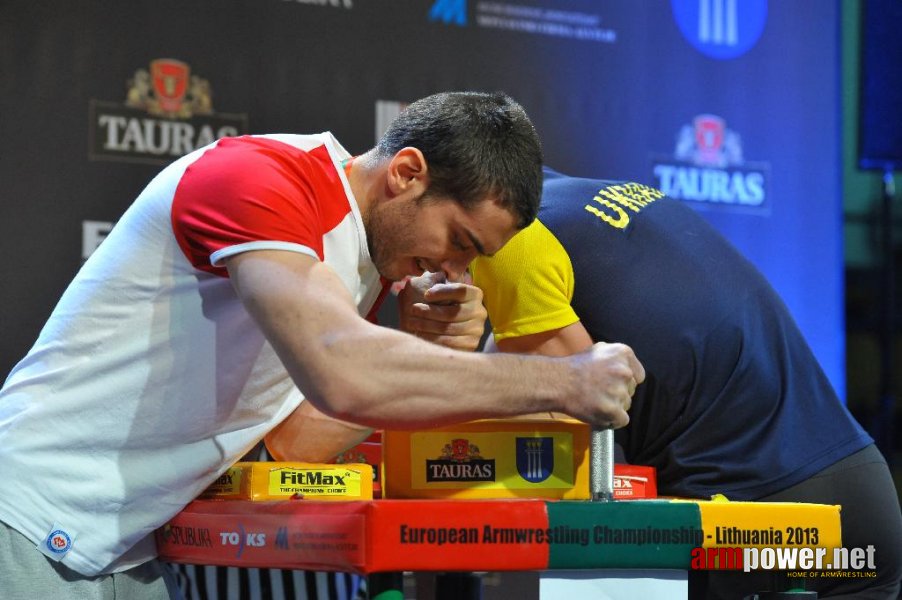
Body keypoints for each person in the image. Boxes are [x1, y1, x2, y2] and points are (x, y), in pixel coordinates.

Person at [0, 94, 645, 598]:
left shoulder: (364, 266)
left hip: (128, 550)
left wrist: (410, 346)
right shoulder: (258, 178)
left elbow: (293, 445)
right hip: (28, 519)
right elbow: (342, 370)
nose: (454, 270)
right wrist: (562, 379)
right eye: (460, 241)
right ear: (407, 172)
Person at [460, 167, 902, 599]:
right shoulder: (603, 199)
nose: (439, 266)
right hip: (860, 491)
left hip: (752, 523)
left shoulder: (511, 244)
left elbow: (570, 434)